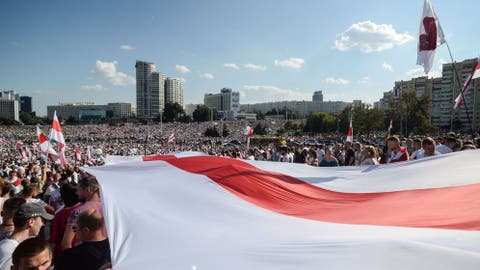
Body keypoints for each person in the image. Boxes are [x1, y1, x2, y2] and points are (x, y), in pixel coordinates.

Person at [0, 202, 53, 269]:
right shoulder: (8, 250)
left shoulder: (11, 246)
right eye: (42, 220)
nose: (43, 224)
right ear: (31, 222)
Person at [62, 175, 106, 250]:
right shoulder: (108, 208)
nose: (76, 193)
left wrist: (69, 258)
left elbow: (66, 242)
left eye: (78, 189)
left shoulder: (78, 211)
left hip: (84, 254)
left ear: (88, 190)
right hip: (106, 254)